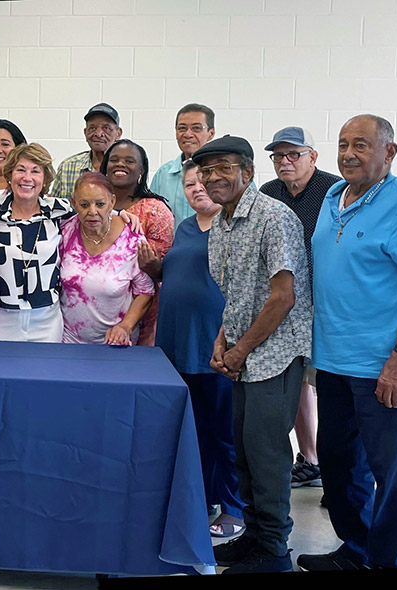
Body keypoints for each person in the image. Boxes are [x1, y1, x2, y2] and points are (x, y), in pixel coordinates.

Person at [297, 115, 397, 571]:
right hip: (335, 364)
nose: (348, 154)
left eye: (361, 145)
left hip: (386, 370)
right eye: (343, 144)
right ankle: (357, 550)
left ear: (389, 152)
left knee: (393, 476)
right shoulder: (334, 198)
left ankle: (391, 564)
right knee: (339, 468)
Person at [195, 135, 312, 574]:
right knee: (243, 449)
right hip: (243, 355)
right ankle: (255, 538)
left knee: (266, 453)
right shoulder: (223, 223)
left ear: (247, 171)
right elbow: (236, 295)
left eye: (223, 167)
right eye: (207, 170)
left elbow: (283, 297)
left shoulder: (273, 217)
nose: (213, 177)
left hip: (275, 354)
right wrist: (223, 343)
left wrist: (241, 349)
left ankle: (276, 551)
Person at [144, 160, 245, 538]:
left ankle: (235, 507)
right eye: (190, 184)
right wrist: (155, 269)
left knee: (225, 431)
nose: (197, 188)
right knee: (195, 430)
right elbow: (177, 277)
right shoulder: (184, 228)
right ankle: (202, 499)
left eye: (202, 181)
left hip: (214, 346)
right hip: (178, 344)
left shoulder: (233, 228)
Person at [261, 126, 343, 490]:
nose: (285, 161)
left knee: (329, 385)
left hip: (328, 304)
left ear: (313, 157)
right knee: (298, 381)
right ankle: (310, 458)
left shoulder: (334, 190)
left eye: (294, 154)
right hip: (284, 303)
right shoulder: (269, 193)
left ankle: (337, 468)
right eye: (279, 155)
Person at [0, 143, 72, 342]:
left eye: (35, 171)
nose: (27, 178)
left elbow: (96, 212)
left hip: (46, 317)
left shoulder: (58, 210)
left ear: (45, 179)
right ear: (9, 175)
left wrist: (124, 216)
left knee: (45, 371)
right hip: (1, 316)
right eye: (20, 170)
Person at [58, 172, 153, 345]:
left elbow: (145, 292)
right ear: (74, 203)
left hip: (115, 342)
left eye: (100, 204)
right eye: (84, 204)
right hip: (69, 341)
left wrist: (125, 326)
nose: (92, 211)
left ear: (112, 202)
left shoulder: (132, 240)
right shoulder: (64, 231)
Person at [99, 139, 174, 346]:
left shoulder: (155, 211)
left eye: (129, 161)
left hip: (141, 315)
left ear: (141, 169)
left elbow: (164, 270)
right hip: (94, 312)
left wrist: (154, 267)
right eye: (114, 160)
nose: (120, 164)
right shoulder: (93, 208)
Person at [150, 103, 216, 225]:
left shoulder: (224, 173)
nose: (188, 134)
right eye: (182, 128)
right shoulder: (163, 175)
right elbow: (150, 216)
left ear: (211, 133)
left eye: (196, 128)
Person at [51, 103, 123, 201]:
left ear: (118, 133)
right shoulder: (67, 167)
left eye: (106, 128)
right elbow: (54, 208)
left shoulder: (124, 170)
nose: (98, 134)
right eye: (92, 128)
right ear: (85, 132)